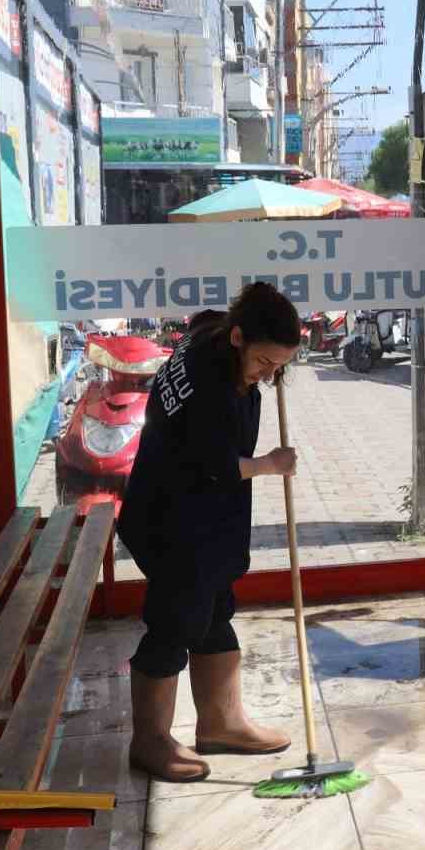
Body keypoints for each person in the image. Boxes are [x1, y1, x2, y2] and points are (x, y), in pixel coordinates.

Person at [117, 282, 302, 783]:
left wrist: (267, 367)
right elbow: (215, 466)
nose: (270, 374)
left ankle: (221, 723)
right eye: (266, 362)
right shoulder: (209, 389)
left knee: (215, 608)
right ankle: (150, 740)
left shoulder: (212, 333)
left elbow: (206, 316)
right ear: (240, 337)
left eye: (279, 366)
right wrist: (269, 464)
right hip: (173, 519)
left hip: (202, 518)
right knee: (175, 621)